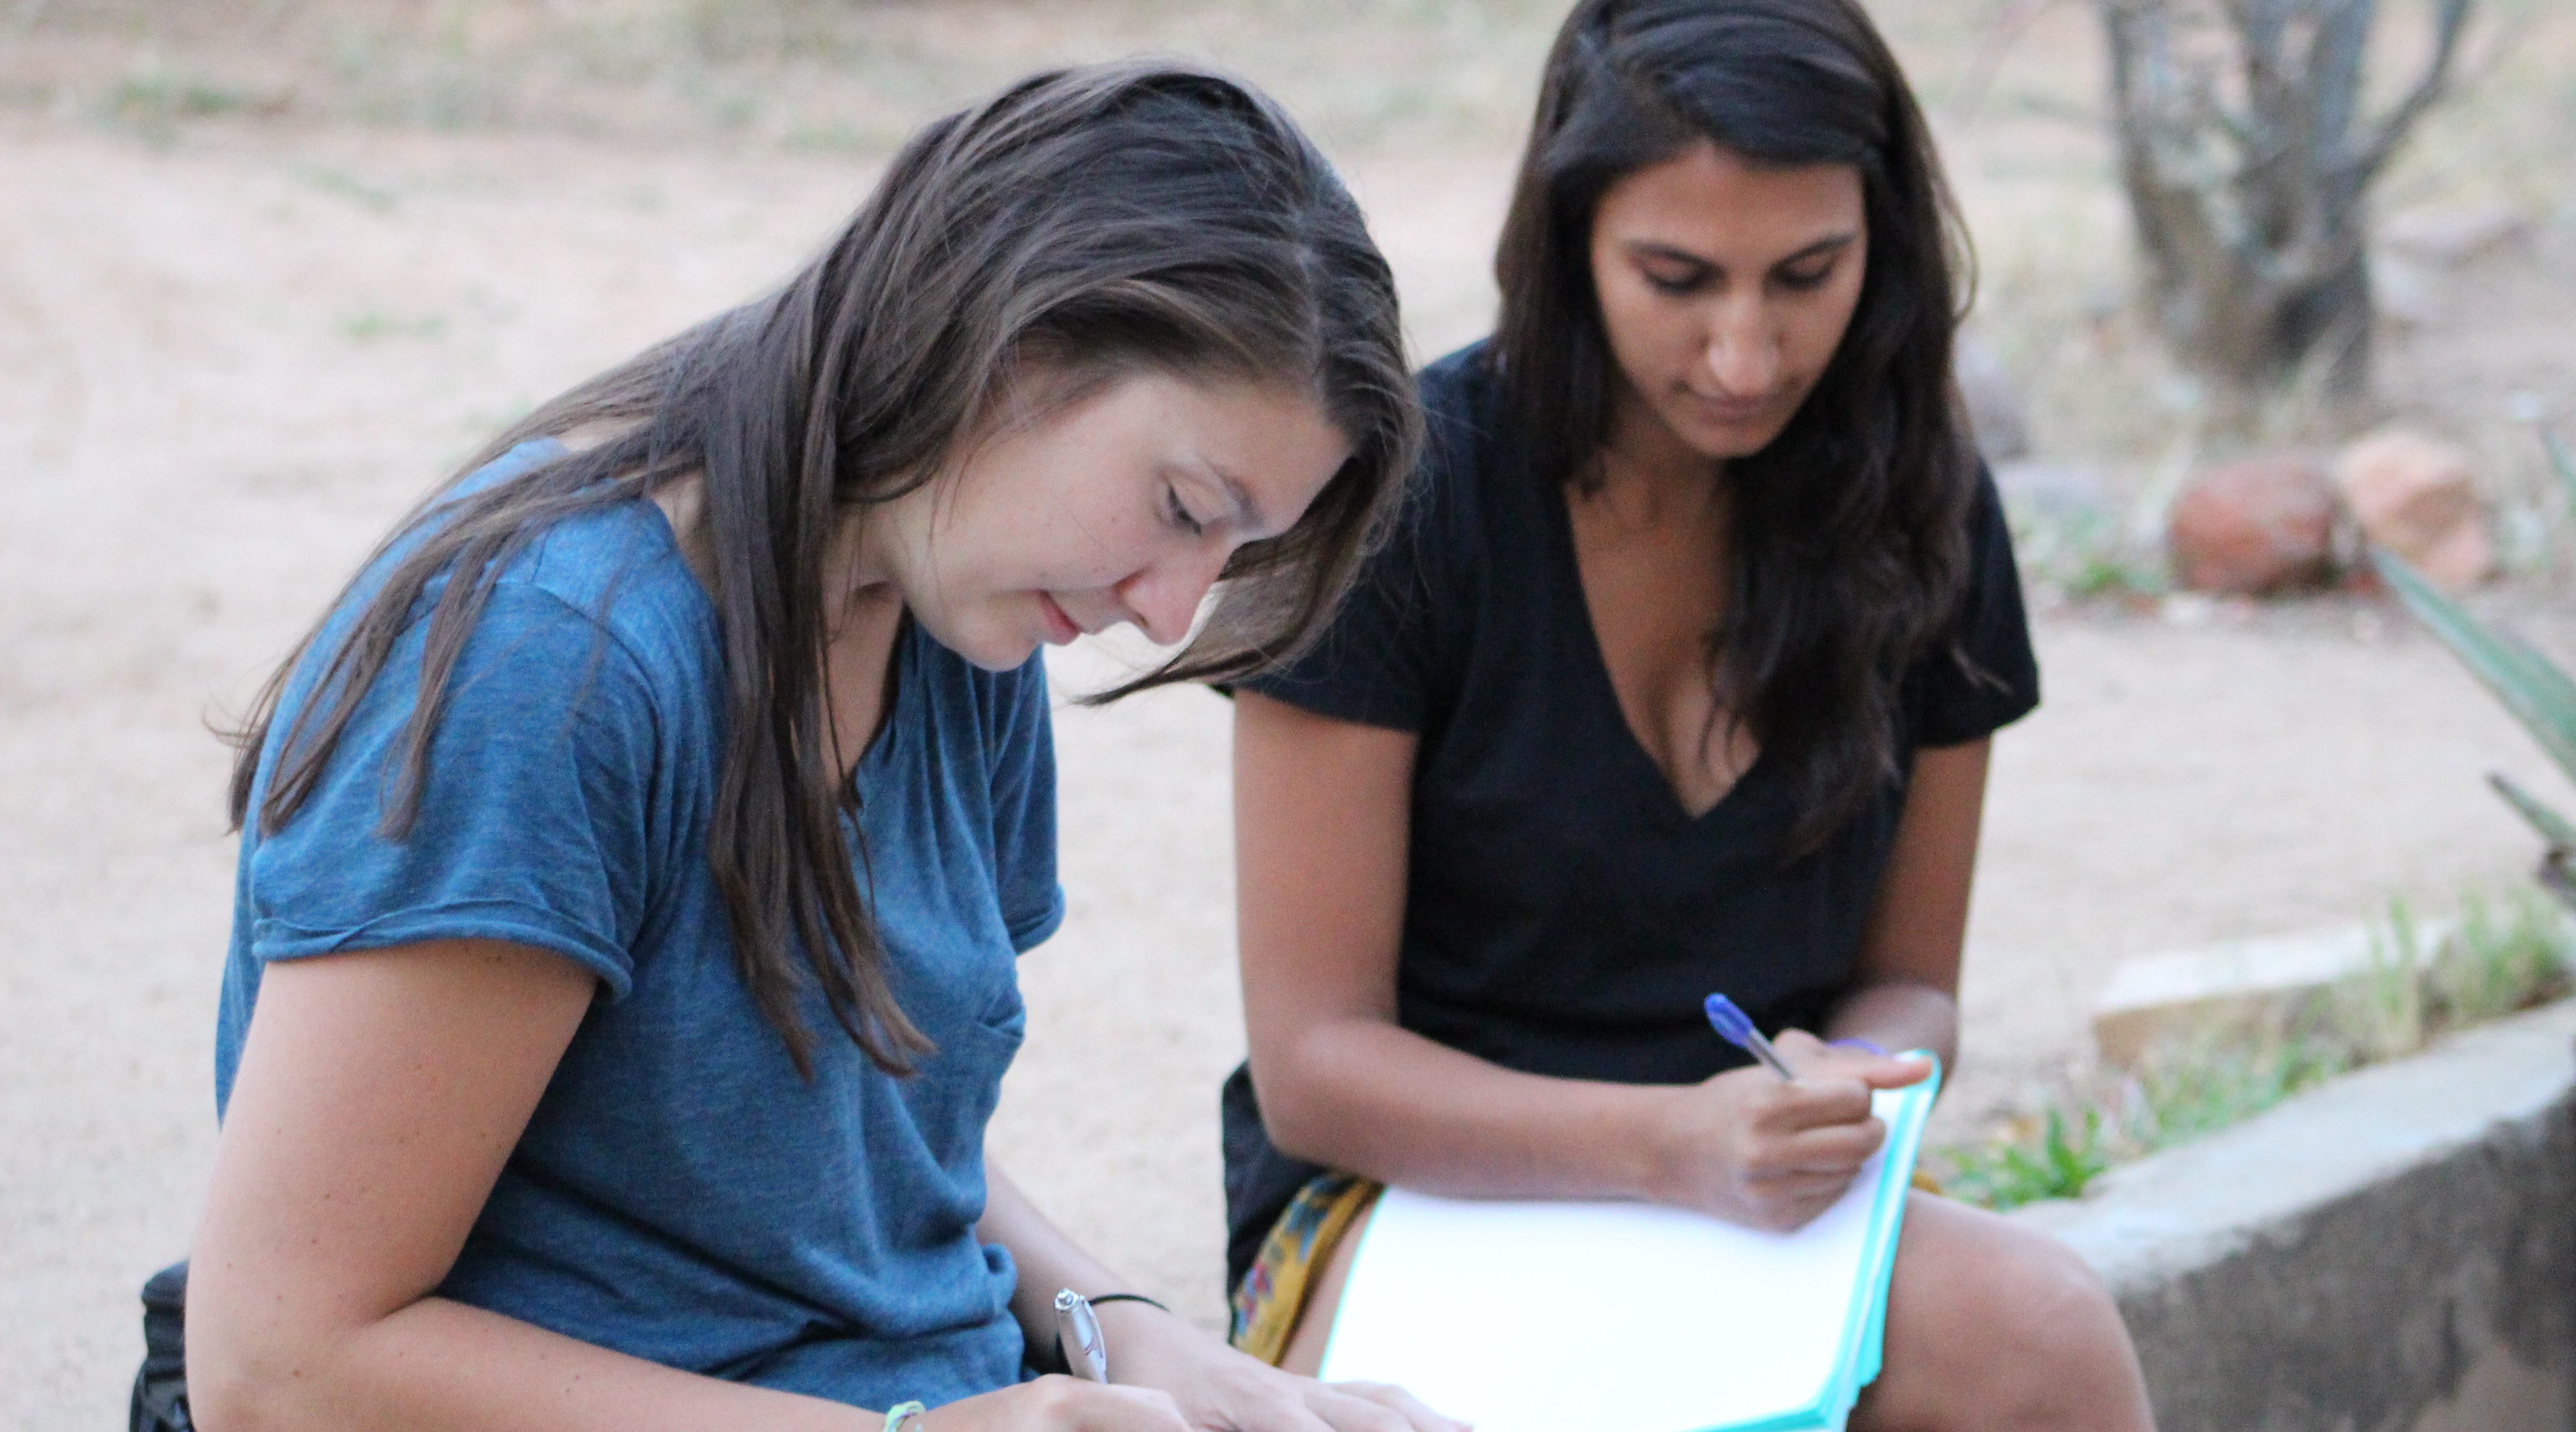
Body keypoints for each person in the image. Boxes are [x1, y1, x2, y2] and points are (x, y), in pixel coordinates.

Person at [179, 62, 1459, 1432]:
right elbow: (282, 1366)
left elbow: (868, 1152)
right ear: (1010, 339)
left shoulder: (958, 593)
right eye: (1181, 505)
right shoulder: (556, 665)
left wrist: (1130, 1337)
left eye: (1233, 552)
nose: (1166, 607)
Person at [1217, 4, 2157, 1430]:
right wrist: (1669, 1145)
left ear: (1880, 247)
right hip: (1416, 1201)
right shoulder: (1406, 503)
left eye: (1805, 275)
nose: (1742, 355)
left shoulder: (1923, 510)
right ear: (1567, 243)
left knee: (2044, 1334)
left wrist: (1844, 1079)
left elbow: (1910, 984)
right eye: (1674, 278)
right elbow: (1317, 1075)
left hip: (1765, 1204)